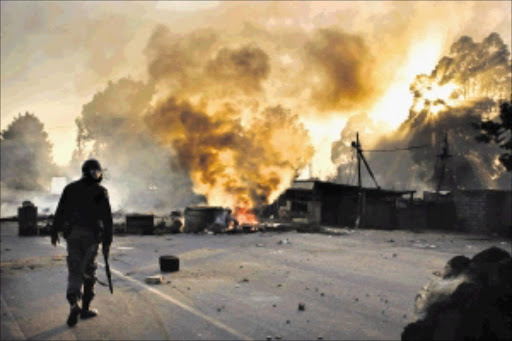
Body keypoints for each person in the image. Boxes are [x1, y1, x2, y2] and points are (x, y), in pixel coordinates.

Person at [51, 159, 113, 327]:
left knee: (74, 269)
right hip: (91, 237)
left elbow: (60, 212)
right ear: (94, 172)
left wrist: (54, 231)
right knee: (89, 270)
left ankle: (73, 304)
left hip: (73, 235)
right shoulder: (101, 191)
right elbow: (107, 219)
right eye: (98, 172)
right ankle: (85, 308)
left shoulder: (70, 188)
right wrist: (107, 241)